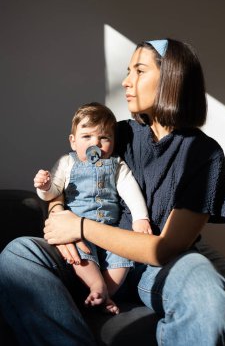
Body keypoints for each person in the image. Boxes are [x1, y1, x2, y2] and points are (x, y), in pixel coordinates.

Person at [0, 38, 225, 346]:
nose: (126, 81)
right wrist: (61, 216)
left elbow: (164, 249)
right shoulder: (117, 134)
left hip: (156, 268)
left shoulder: (204, 155)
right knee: (17, 254)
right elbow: (68, 177)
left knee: (204, 285)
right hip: (91, 259)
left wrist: (81, 226)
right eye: (128, 71)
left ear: (172, 78)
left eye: (139, 71)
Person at [33, 102, 152, 314]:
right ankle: (97, 287)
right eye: (87, 137)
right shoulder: (66, 163)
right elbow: (53, 192)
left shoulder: (117, 165)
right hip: (77, 232)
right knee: (79, 255)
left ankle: (105, 294)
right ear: (73, 142)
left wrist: (140, 218)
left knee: (123, 256)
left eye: (104, 138)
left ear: (113, 142)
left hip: (110, 231)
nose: (95, 143)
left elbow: (131, 191)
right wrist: (44, 187)